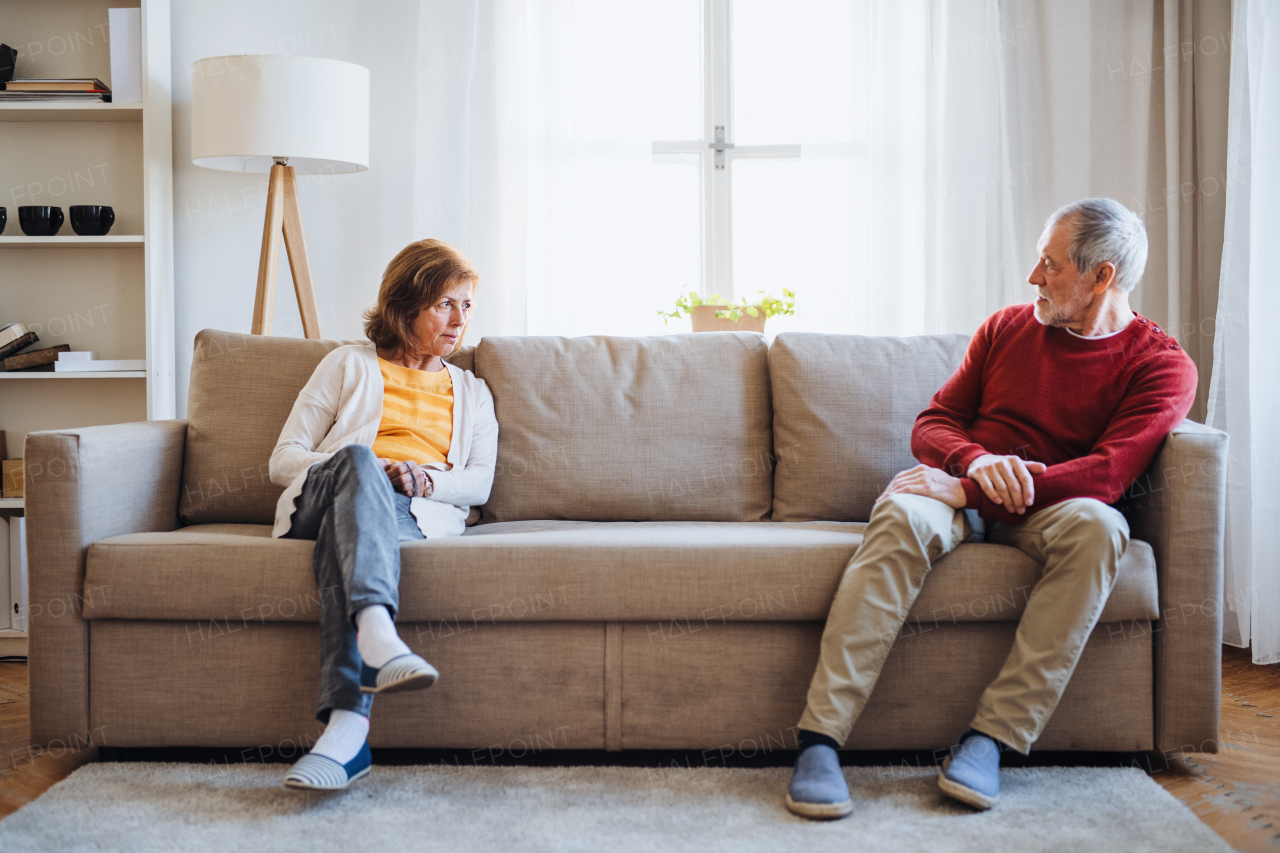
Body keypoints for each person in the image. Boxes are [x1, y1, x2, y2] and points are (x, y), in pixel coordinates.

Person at [785, 198, 1197, 818]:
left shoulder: (1162, 366)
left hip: (1052, 508)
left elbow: (1108, 473)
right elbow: (934, 422)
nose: (1034, 277)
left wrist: (969, 491)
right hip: (966, 492)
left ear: (1101, 276)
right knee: (901, 512)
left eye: (1050, 264)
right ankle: (820, 741)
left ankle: (992, 740)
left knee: (1101, 527)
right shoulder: (1006, 327)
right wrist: (974, 466)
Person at [267, 239, 498, 791]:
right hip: (326, 492)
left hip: (407, 513)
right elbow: (284, 459)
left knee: (349, 542)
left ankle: (347, 732)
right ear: (406, 303)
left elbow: (480, 481)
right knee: (359, 463)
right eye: (446, 303)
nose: (459, 319)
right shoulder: (347, 364)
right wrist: (367, 465)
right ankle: (378, 636)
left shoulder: (472, 391)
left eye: (467, 306)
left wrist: (427, 479)